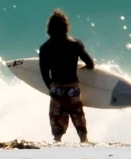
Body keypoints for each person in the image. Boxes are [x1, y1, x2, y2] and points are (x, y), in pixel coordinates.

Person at [38, 9, 95, 143]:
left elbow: (44, 73)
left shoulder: (45, 48)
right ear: (66, 27)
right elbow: (90, 64)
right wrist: (85, 68)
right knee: (80, 127)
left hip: (56, 89)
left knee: (57, 132)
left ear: (49, 28)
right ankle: (84, 144)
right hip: (72, 90)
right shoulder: (75, 45)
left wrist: (52, 89)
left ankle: (56, 150)